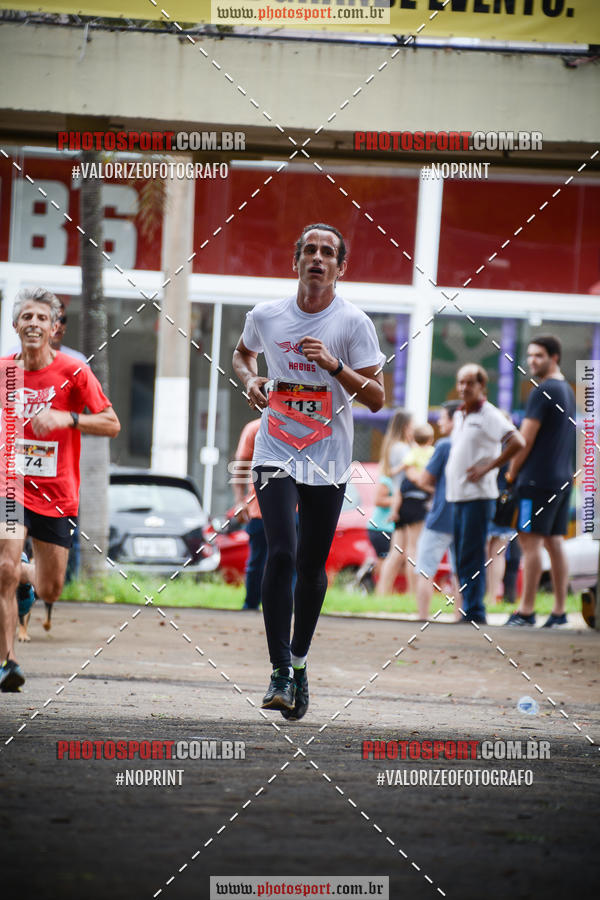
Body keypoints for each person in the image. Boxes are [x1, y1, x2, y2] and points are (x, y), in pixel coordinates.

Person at [232, 223, 385, 718]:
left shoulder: (353, 323)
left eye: (328, 252)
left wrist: (337, 367)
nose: (318, 258)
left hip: (329, 457)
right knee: (280, 552)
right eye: (310, 251)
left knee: (310, 566)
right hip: (276, 448)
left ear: (341, 267)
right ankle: (278, 670)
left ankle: (299, 664)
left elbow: (378, 399)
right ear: (295, 261)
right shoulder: (267, 315)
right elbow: (241, 353)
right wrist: (251, 379)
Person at [0, 287, 120, 692]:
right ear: (16, 325)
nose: (33, 324)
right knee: (4, 567)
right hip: (10, 487)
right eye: (26, 317)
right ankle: (8, 662)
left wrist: (67, 419)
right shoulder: (3, 371)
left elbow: (111, 423)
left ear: (54, 328)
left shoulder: (73, 371)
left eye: (41, 318)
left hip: (56, 495)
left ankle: (27, 576)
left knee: (51, 587)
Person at [445, 364, 525, 624]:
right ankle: (468, 607)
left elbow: (517, 441)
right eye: (461, 382)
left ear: (482, 387)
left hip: (478, 496)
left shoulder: (489, 414)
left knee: (471, 554)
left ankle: (475, 611)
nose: (464, 388)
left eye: (470, 383)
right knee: (460, 555)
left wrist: (488, 467)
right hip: (457, 495)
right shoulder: (460, 414)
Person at [505, 335, 576, 628]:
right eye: (530, 355)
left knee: (529, 545)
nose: (532, 361)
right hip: (562, 479)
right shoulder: (567, 391)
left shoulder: (543, 390)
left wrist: (510, 473)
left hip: (535, 481)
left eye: (539, 356)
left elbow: (526, 438)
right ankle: (559, 612)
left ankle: (526, 611)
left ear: (554, 357)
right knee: (554, 542)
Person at [406, 401, 460, 620]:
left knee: (426, 569)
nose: (439, 422)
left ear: (454, 420)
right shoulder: (473, 444)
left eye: (443, 417)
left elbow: (425, 478)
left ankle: (422, 616)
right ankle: (460, 616)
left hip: (440, 516)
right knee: (460, 572)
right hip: (463, 515)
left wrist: (430, 485)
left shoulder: (445, 445)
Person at [375, 409, 413, 595]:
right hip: (405, 500)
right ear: (406, 427)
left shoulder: (393, 447)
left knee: (398, 552)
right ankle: (386, 591)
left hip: (399, 499)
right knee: (403, 552)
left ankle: (383, 592)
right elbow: (410, 474)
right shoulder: (403, 449)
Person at [233, 418, 266, 611]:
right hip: (259, 510)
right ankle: (251, 605)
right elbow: (241, 467)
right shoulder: (255, 428)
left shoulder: (302, 424)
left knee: (291, 561)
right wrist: (239, 501)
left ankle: (288, 607)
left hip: (295, 511)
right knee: (258, 561)